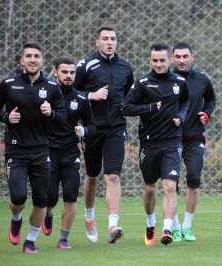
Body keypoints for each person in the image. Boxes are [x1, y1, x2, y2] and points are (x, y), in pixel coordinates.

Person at [0, 41, 66, 253]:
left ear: (42, 61)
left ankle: (30, 241)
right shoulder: (8, 83)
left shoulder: (51, 88)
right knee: (18, 197)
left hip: (41, 150)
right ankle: (16, 218)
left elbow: (63, 117)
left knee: (41, 199)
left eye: (36, 56)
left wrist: (51, 113)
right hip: (16, 151)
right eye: (28, 56)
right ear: (22, 60)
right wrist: (6, 116)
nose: (33, 59)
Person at [122, 43, 189, 246]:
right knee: (150, 188)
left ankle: (167, 228)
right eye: (155, 60)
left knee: (170, 186)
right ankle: (150, 223)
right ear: (150, 61)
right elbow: (125, 108)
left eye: (162, 60)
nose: (158, 64)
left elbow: (185, 103)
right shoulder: (142, 82)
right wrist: (150, 107)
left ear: (170, 60)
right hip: (149, 144)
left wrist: (180, 116)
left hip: (172, 142)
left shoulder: (179, 82)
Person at [73, 26, 134, 244]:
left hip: (116, 128)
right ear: (97, 42)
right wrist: (91, 95)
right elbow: (69, 92)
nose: (110, 42)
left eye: (113, 39)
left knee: (113, 175)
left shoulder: (125, 67)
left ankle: (112, 225)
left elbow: (131, 96)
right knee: (92, 175)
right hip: (92, 128)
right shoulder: (86, 64)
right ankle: (89, 218)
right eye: (105, 39)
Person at [42, 56, 96, 248]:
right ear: (55, 72)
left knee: (71, 196)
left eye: (72, 72)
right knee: (50, 198)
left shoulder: (80, 98)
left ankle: (63, 239)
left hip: (70, 153)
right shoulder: (45, 93)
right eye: (64, 72)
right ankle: (47, 214)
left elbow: (92, 125)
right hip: (47, 151)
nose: (68, 75)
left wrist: (85, 131)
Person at [171, 42, 216, 242]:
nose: (181, 60)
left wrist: (206, 113)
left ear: (192, 57)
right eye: (178, 57)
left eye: (185, 56)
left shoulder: (203, 79)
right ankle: (173, 226)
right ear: (172, 58)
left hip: (194, 137)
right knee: (170, 184)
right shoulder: (166, 79)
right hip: (170, 138)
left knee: (194, 180)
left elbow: (211, 100)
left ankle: (187, 227)